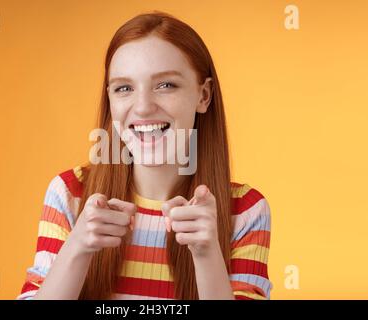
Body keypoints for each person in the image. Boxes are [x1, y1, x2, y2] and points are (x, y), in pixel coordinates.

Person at [17, 11, 272, 300]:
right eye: (124, 88)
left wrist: (206, 254)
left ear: (204, 96)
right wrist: (77, 248)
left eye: (165, 85)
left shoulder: (246, 210)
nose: (142, 107)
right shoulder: (70, 193)